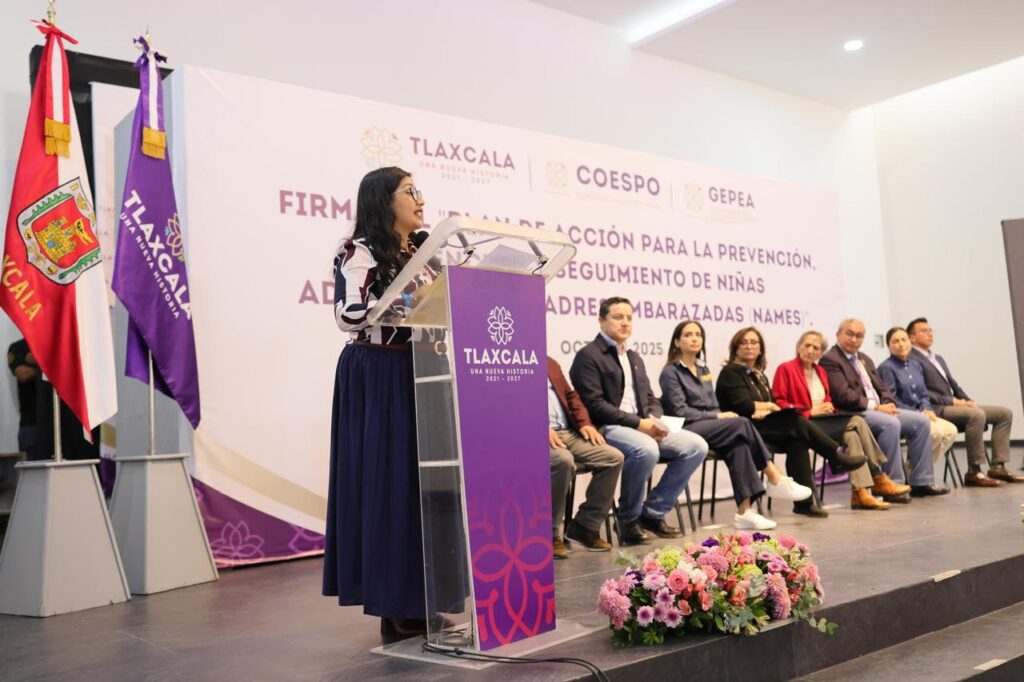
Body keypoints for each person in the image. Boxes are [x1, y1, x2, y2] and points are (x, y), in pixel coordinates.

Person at [322, 167, 439, 644]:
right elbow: (349, 313)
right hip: (380, 375)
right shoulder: (360, 252)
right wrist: (412, 296)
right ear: (383, 200)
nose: (421, 199)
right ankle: (394, 601)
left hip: (422, 371)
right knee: (391, 484)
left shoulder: (424, 252)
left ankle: (425, 593)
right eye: (410, 191)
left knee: (421, 487)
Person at [570, 297, 708, 544]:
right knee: (646, 449)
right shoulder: (588, 356)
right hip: (608, 427)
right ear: (601, 320)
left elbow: (649, 396)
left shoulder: (634, 357)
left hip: (642, 425)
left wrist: (655, 421)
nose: (625, 323)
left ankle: (653, 512)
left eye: (629, 318)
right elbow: (595, 405)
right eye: (618, 317)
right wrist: (639, 424)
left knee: (696, 446)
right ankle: (628, 520)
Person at [659, 321, 814, 530]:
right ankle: (775, 477)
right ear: (677, 342)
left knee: (738, 444)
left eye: (698, 334)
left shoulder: (703, 369)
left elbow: (712, 403)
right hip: (687, 428)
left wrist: (717, 416)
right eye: (688, 335)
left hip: (709, 426)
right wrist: (717, 416)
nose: (694, 338)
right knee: (741, 423)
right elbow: (681, 412)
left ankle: (745, 513)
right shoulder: (670, 372)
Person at [715, 326, 868, 519]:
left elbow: (763, 403)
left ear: (760, 349)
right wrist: (769, 407)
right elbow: (745, 406)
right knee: (795, 419)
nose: (749, 346)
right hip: (743, 429)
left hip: (761, 425)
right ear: (735, 347)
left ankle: (804, 504)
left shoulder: (758, 374)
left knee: (798, 440)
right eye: (743, 342)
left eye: (754, 342)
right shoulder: (731, 372)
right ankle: (834, 456)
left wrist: (765, 408)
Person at [772, 330, 902, 510]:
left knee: (852, 436)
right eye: (807, 345)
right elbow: (779, 402)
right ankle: (877, 475)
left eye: (815, 348)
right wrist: (810, 411)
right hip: (801, 424)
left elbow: (827, 397)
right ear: (799, 346)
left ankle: (860, 493)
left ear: (820, 353)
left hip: (824, 422)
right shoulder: (786, 368)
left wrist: (827, 405)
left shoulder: (820, 371)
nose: (810, 350)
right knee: (857, 421)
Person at [820, 319, 947, 498]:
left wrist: (889, 403)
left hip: (879, 409)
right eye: (849, 334)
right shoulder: (830, 359)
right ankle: (893, 483)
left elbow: (882, 388)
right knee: (890, 423)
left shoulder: (864, 358)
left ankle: (921, 481)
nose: (854, 339)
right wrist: (877, 407)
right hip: (854, 413)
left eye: (859, 336)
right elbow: (844, 395)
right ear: (838, 335)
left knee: (921, 422)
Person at [907, 317, 1024, 483]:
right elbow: (922, 392)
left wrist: (969, 401)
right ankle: (974, 471)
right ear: (912, 337)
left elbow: (954, 385)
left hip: (954, 406)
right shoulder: (911, 359)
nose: (930, 334)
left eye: (931, 330)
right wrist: (955, 402)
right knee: (976, 415)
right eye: (924, 331)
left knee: (1003, 414)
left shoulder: (937, 358)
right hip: (935, 408)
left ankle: (998, 466)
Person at [547, 356, 624, 558]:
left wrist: (585, 423)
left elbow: (571, 396)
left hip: (567, 432)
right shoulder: (512, 364)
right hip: (537, 434)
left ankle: (585, 526)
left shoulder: (549, 362)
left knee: (613, 457)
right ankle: (549, 533)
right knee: (563, 461)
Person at [878, 327, 959, 473]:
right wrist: (918, 413)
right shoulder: (886, 368)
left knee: (950, 431)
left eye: (904, 340)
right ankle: (919, 473)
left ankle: (913, 469)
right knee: (935, 433)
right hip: (902, 414)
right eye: (895, 341)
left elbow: (923, 394)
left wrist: (927, 408)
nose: (901, 344)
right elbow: (891, 399)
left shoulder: (915, 365)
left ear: (910, 342)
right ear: (889, 346)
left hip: (922, 413)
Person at [7, 338, 39, 456]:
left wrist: (35, 361)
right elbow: (22, 374)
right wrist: (47, 368)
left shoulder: (52, 344)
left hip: (57, 422)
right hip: (31, 423)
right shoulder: (18, 347)